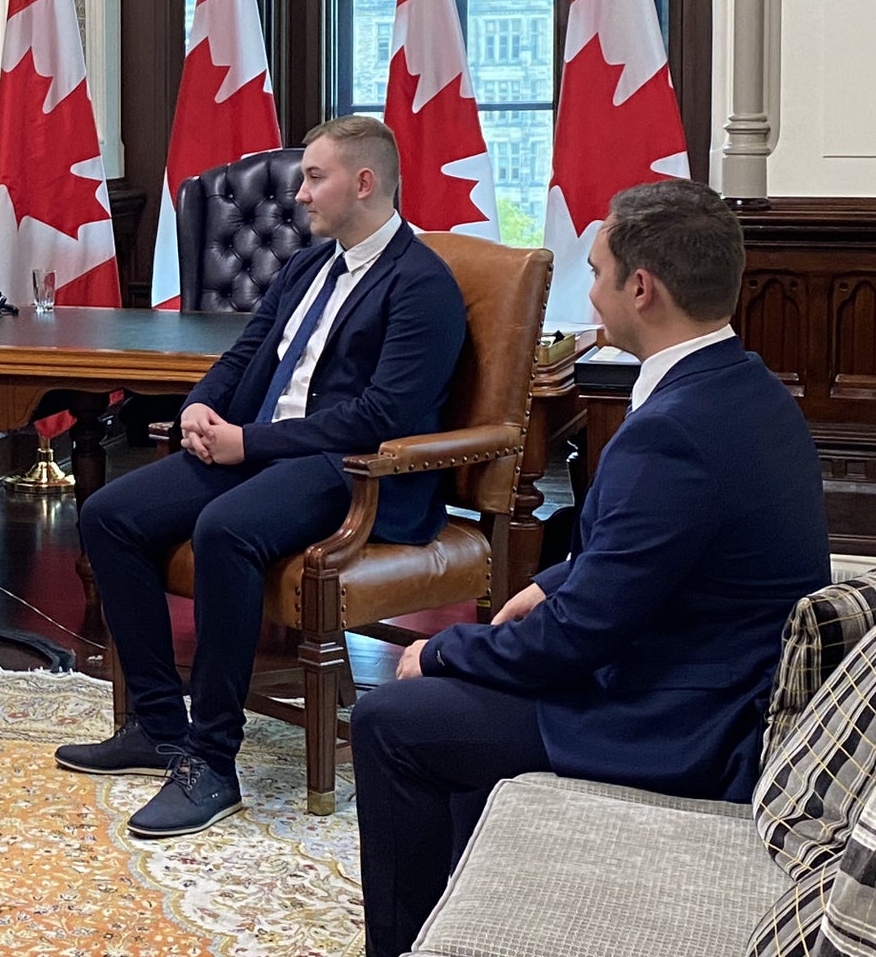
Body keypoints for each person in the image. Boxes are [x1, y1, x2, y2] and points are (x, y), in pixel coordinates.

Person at [351, 179, 829, 957]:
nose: (592, 291)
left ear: (642, 288)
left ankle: (403, 945)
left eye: (599, 271)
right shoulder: (746, 388)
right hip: (705, 677)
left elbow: (575, 643)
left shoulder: (674, 431)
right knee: (468, 687)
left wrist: (437, 648)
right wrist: (551, 578)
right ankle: (471, 913)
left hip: (680, 723)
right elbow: (657, 553)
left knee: (392, 719)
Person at [55, 115, 468, 837]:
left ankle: (212, 761)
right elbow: (246, 354)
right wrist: (200, 410)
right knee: (108, 515)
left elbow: (381, 414)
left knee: (225, 530)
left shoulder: (422, 282)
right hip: (265, 449)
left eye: (315, 176)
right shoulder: (309, 266)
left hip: (350, 471)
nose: (299, 193)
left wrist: (252, 442)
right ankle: (159, 726)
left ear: (364, 183)